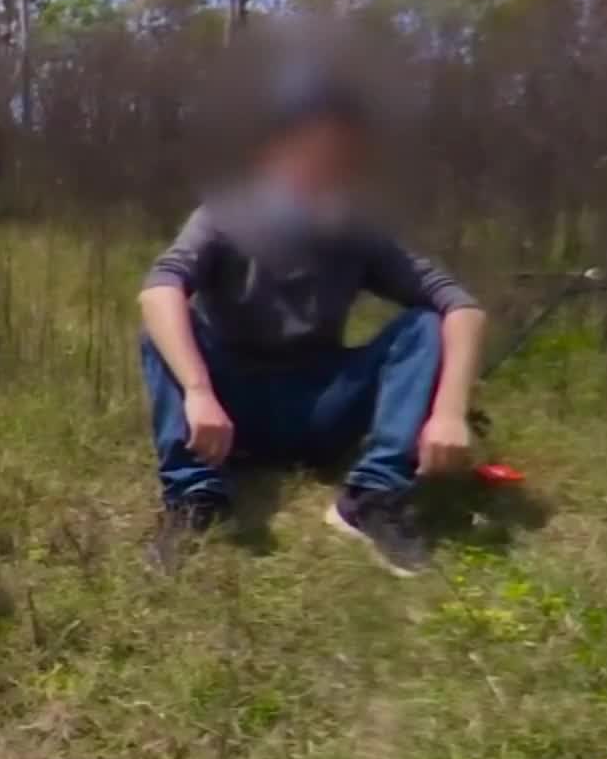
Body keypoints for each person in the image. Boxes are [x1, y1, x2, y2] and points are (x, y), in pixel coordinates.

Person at [136, 61, 486, 577]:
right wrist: (198, 390)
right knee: (163, 328)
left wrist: (450, 412)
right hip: (229, 410)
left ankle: (371, 497)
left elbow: (461, 307)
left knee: (424, 327)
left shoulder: (357, 228)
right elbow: (159, 289)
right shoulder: (224, 215)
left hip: (322, 406)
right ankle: (196, 498)